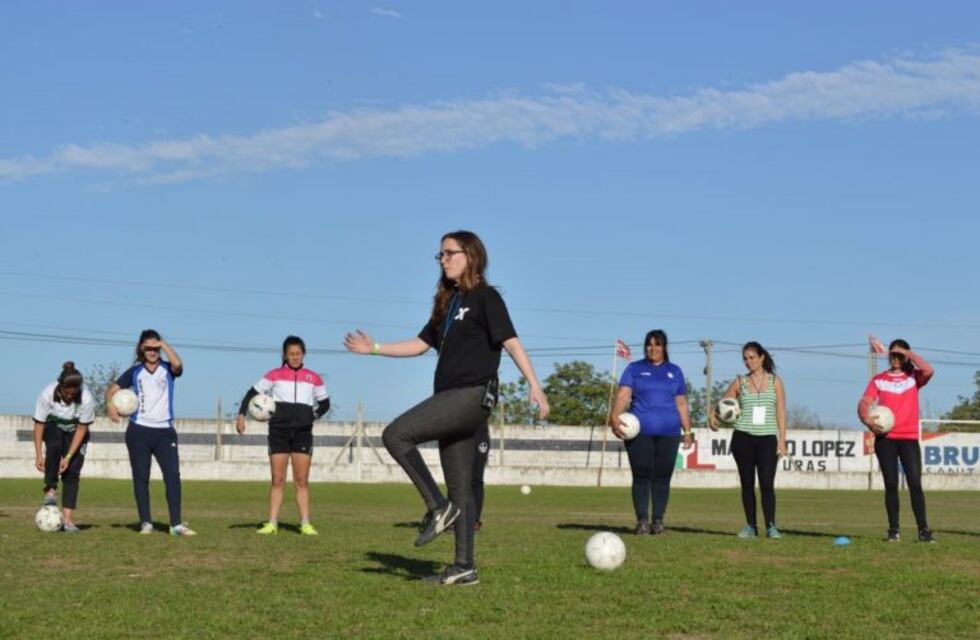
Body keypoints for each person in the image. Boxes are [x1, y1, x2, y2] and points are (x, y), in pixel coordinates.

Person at [344, 230, 549, 586]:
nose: (442, 259)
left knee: (395, 435)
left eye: (449, 253)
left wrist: (535, 385)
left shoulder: (486, 298)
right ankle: (463, 566)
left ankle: (437, 508)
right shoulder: (447, 303)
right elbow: (420, 344)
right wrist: (374, 347)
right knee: (462, 491)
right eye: (439, 255)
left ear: (469, 255)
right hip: (451, 400)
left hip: (471, 396)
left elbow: (511, 342)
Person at [236, 336, 330, 536]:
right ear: (285, 355)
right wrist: (241, 415)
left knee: (301, 480)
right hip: (278, 432)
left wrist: (311, 416)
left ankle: (305, 523)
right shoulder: (274, 375)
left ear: (303, 354)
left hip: (303, 433)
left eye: (298, 353)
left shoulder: (313, 377)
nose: (295, 357)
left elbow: (325, 403)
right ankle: (272, 523)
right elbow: (251, 393)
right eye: (291, 354)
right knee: (277, 479)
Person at [107, 329, 196, 536]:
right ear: (141, 349)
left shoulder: (168, 369)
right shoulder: (134, 371)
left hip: (165, 432)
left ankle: (175, 525)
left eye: (155, 347)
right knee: (141, 477)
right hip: (138, 431)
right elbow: (111, 389)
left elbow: (179, 365)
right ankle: (146, 522)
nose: (152, 351)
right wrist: (111, 406)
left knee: (173, 476)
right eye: (148, 347)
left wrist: (163, 344)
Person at [609, 330, 692, 535]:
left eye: (657, 345)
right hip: (640, 433)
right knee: (641, 475)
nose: (652, 348)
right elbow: (623, 394)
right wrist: (614, 416)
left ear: (664, 348)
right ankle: (642, 521)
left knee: (663, 477)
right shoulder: (634, 369)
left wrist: (687, 431)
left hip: (670, 432)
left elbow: (681, 403)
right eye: (649, 344)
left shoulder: (675, 371)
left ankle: (658, 521)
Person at [858, 338, 935, 542]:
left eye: (899, 354)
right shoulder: (878, 379)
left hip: (909, 439)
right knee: (891, 484)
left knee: (915, 484)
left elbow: (929, 370)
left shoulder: (913, 378)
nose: (895, 358)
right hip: (886, 440)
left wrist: (909, 354)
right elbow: (864, 402)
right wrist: (866, 419)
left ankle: (923, 530)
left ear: (906, 356)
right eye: (892, 354)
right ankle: (894, 530)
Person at [712, 341, 787, 539]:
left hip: (768, 439)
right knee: (747, 483)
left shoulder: (775, 382)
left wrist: (782, 439)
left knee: (766, 484)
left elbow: (781, 411)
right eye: (745, 358)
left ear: (762, 357)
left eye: (752, 357)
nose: (748, 362)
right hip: (743, 438)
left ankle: (771, 526)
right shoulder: (740, 382)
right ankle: (750, 526)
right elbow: (724, 403)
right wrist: (714, 416)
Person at [33, 361, 96, 532]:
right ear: (60, 386)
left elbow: (82, 429)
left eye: (72, 394)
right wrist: (39, 454)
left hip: (76, 432)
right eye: (66, 393)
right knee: (53, 446)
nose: (69, 397)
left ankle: (67, 521)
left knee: (72, 472)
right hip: (54, 426)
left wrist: (68, 458)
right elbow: (39, 425)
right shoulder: (47, 393)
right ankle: (50, 492)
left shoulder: (87, 398)